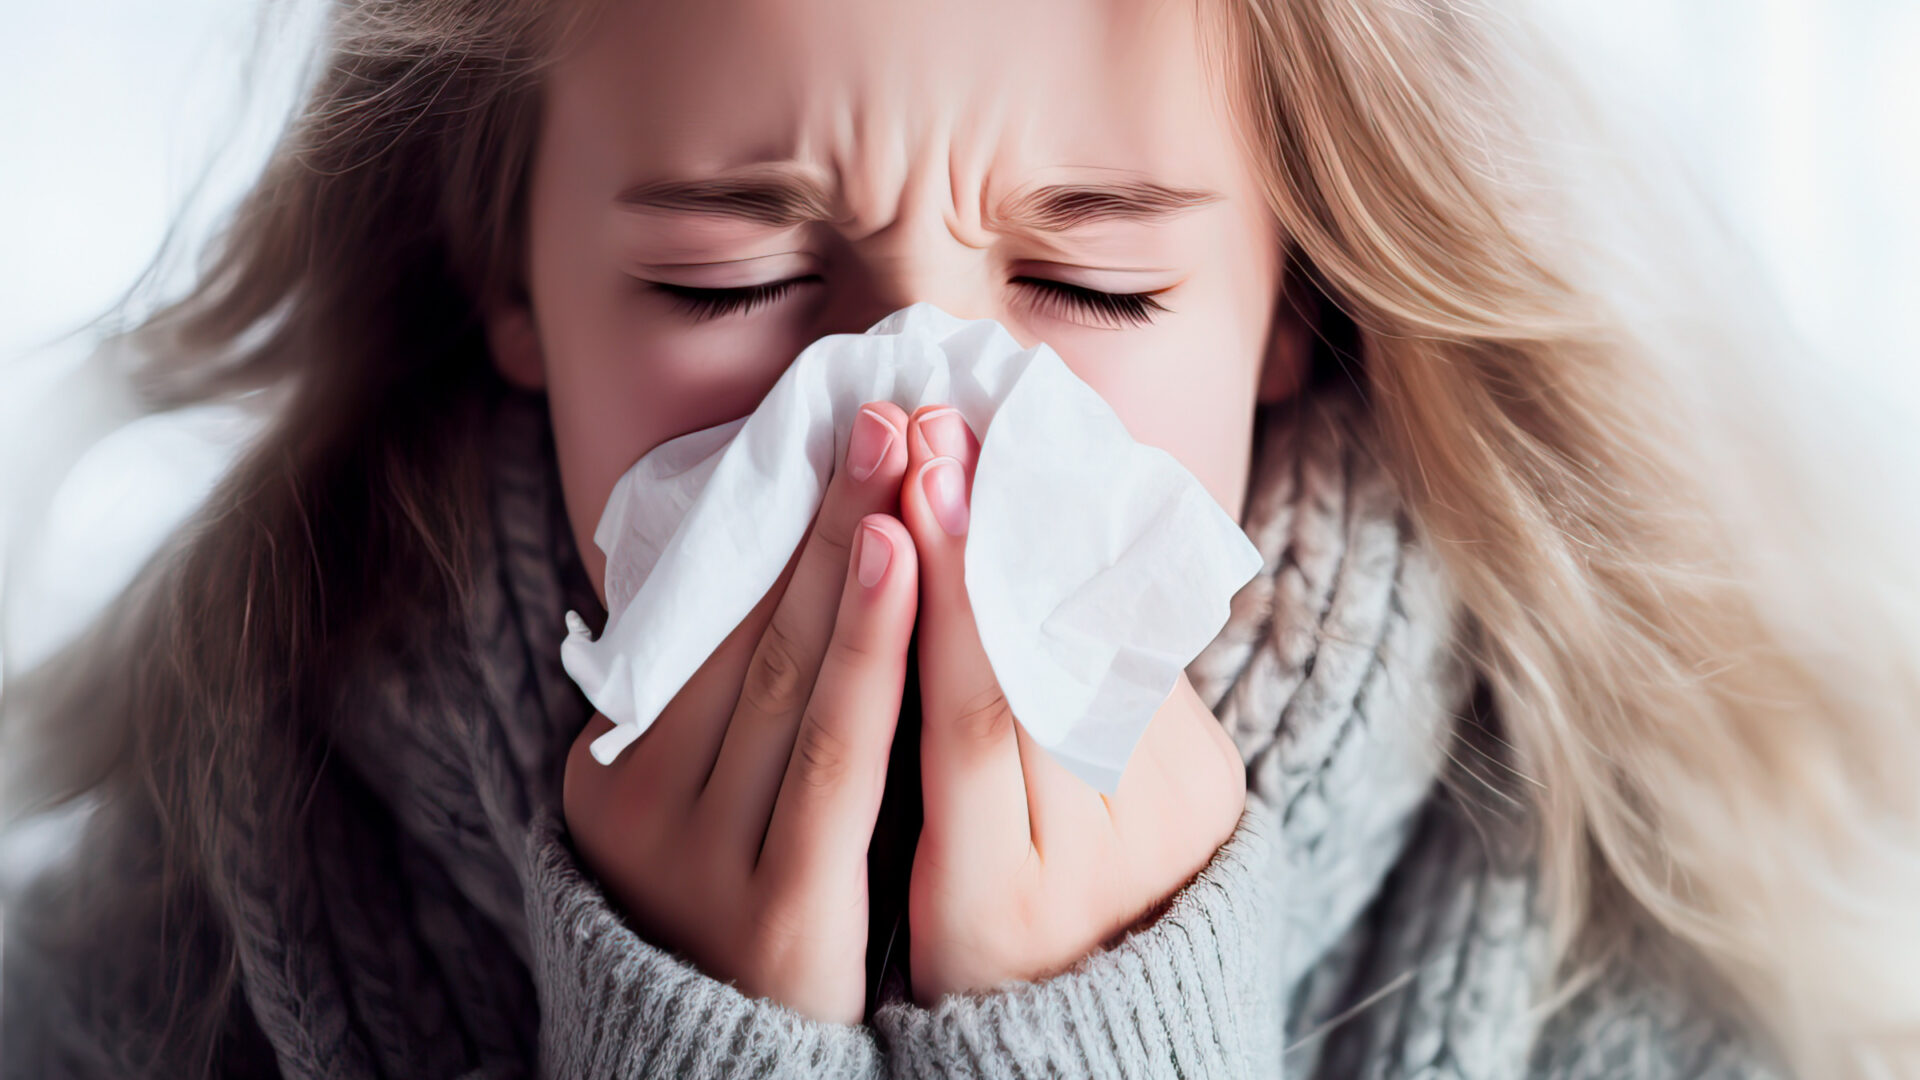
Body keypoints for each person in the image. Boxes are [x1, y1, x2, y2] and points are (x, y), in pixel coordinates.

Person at [3, 0, 1917, 1076]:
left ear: (1299, 307)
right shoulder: (155, 972)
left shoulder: (1635, 959)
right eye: (727, 272)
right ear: (507, 269)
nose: (914, 422)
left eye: (1086, 282)